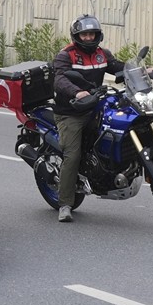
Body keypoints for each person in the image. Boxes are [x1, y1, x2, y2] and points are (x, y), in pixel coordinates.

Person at [52, 15, 124, 223]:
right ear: (77, 36)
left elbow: (118, 66)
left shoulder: (103, 54)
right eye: (84, 34)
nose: (89, 37)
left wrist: (139, 71)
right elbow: (60, 79)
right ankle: (65, 203)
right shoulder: (66, 55)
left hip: (96, 107)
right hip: (71, 112)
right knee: (72, 155)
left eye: (92, 33)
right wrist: (77, 92)